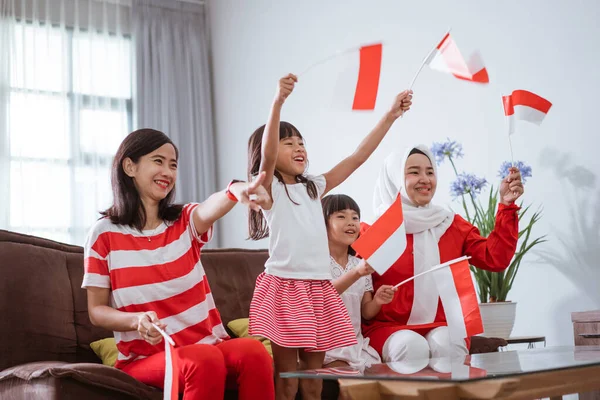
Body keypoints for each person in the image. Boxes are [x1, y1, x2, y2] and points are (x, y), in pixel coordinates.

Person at [247, 73, 413, 400]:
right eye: (288, 142)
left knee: (312, 382)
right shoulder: (270, 188)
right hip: (284, 287)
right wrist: (277, 101)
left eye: (301, 142)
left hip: (318, 289)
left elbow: (357, 158)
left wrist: (391, 115)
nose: (298, 148)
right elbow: (266, 158)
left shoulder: (314, 187)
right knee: (287, 381)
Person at [82, 128, 275, 400]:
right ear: (130, 166)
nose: (168, 172)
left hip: (209, 345)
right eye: (158, 161)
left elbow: (210, 207)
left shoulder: (183, 222)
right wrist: (135, 320)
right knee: (202, 359)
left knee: (254, 352)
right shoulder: (104, 234)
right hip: (146, 358)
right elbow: (96, 311)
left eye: (173, 165)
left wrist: (235, 190)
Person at [362, 145, 524, 363]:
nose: (425, 179)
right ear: (394, 178)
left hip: (443, 324)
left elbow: (495, 258)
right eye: (413, 172)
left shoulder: (449, 224)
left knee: (449, 346)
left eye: (430, 172)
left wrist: (506, 205)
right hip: (387, 328)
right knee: (410, 347)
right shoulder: (373, 230)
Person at [321, 194, 396, 371]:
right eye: (341, 216)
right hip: (328, 348)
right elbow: (322, 297)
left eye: (355, 217)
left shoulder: (359, 264)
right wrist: (356, 273)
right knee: (349, 380)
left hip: (357, 347)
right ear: (322, 224)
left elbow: (366, 312)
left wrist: (378, 300)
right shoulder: (315, 263)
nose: (351, 222)